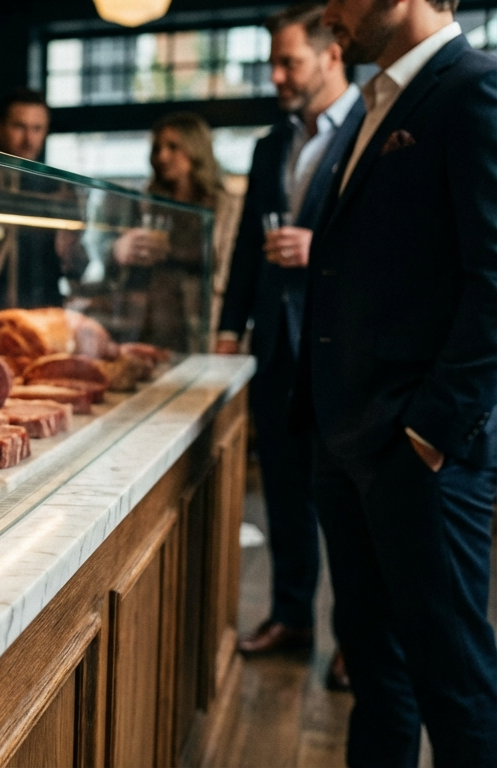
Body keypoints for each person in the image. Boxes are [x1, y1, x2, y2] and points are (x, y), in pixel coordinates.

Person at [297, 0, 497, 763]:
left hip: (418, 459)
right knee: (378, 679)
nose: (327, 11)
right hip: (347, 444)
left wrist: (429, 435)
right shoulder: (377, 99)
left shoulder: (474, 87)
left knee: (456, 689)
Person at [217, 4, 363, 694]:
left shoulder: (372, 128)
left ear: (332, 54)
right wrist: (229, 328)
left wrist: (320, 248)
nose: (276, 76)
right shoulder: (269, 145)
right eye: (274, 62)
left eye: (289, 62)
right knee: (282, 493)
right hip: (276, 347)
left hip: (346, 348)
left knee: (350, 504)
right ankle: (291, 616)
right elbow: (248, 250)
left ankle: (357, 640)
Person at [107, 113, 243, 351]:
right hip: (151, 324)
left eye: (173, 147)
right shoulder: (146, 204)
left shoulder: (226, 205)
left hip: (204, 324)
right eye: (157, 148)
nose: (162, 156)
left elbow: (229, 267)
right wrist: (119, 250)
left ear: (195, 148)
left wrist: (229, 332)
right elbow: (120, 268)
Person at [0, 88, 88, 312]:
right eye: (19, 127)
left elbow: (76, 268)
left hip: (45, 309)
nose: (28, 139)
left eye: (37, 129)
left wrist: (71, 249)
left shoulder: (58, 188)